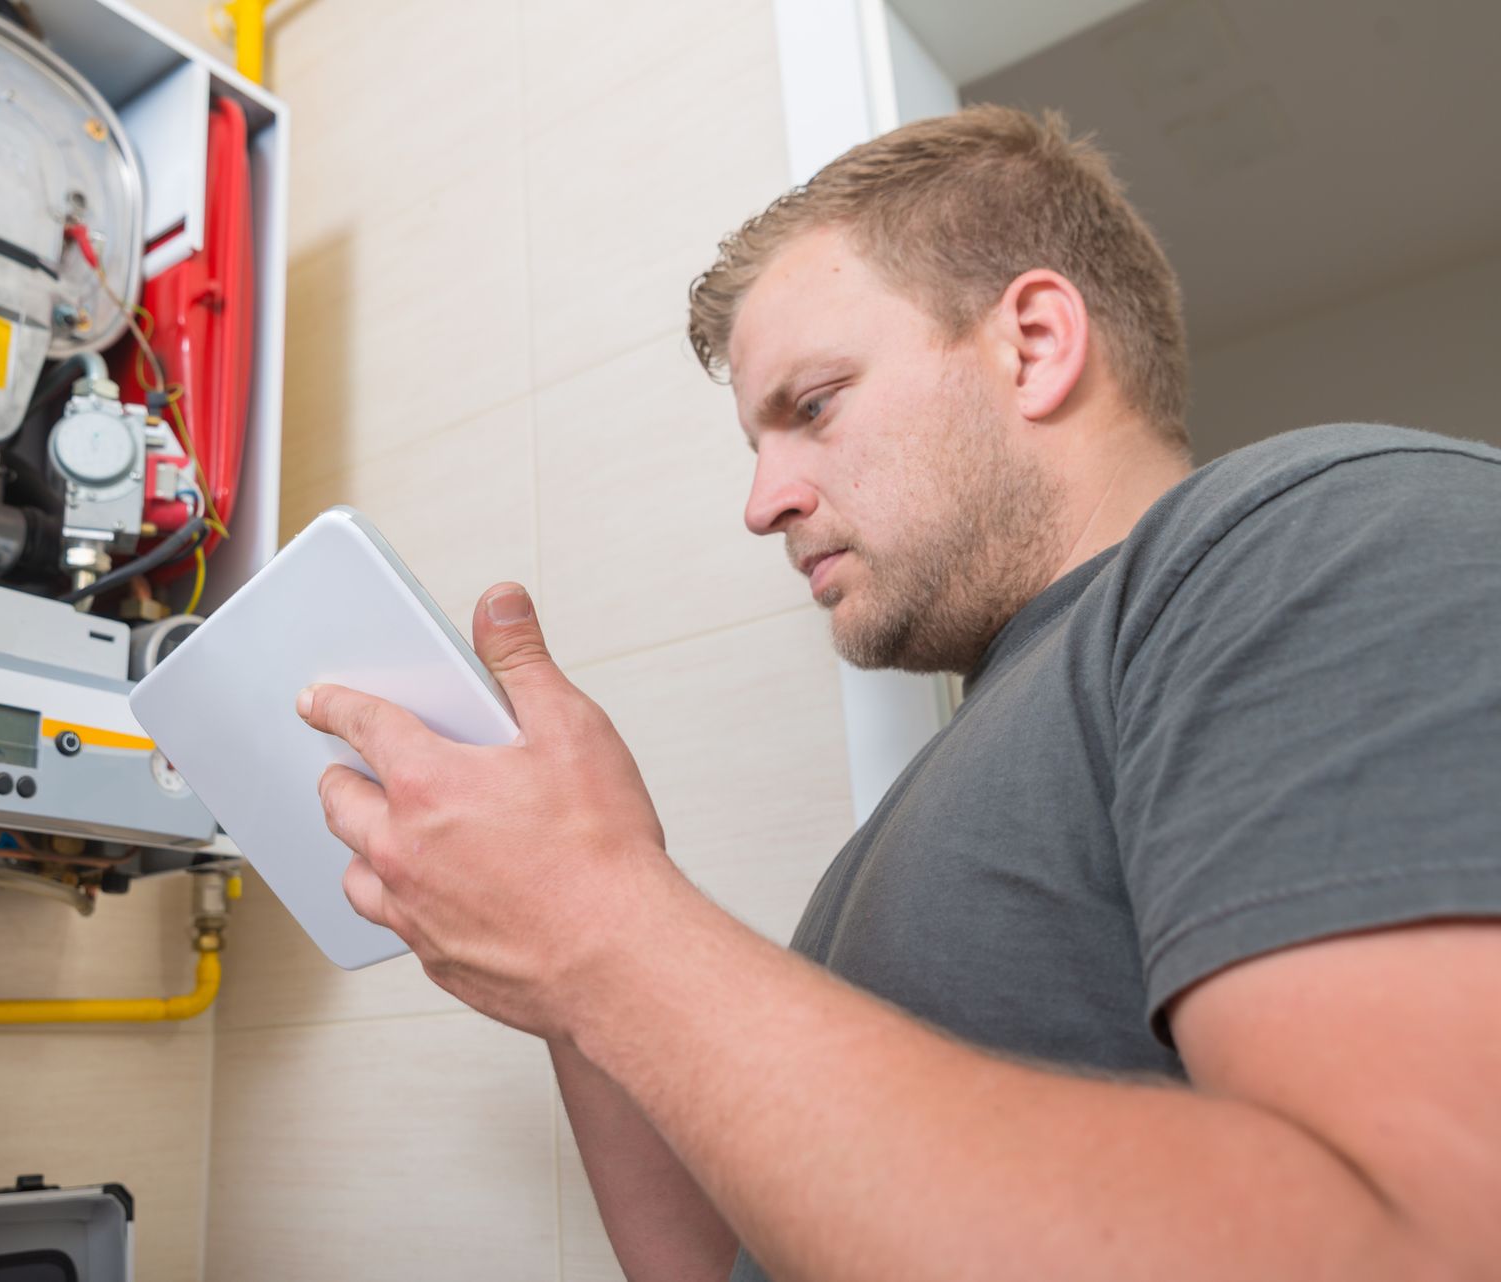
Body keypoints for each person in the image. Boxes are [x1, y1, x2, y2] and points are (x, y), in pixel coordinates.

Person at [295, 106, 1501, 1280]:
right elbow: (724, 1260)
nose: (761, 501)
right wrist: (571, 947)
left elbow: (1419, 1240)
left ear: (1033, 342)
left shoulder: (1323, 532)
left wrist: (599, 922)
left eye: (812, 406)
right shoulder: (934, 799)